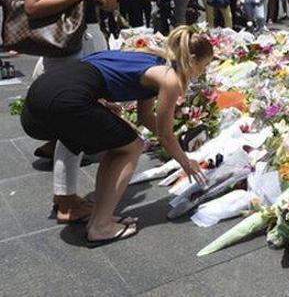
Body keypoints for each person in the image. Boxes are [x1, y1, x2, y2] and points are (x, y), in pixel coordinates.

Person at [21, 26, 211, 245]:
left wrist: (173, 146)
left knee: (122, 143)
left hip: (40, 98)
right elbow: (166, 135)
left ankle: (99, 217)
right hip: (66, 101)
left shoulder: (151, 59)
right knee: (132, 146)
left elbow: (145, 116)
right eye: (204, 66)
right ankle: (100, 226)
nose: (203, 72)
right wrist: (185, 162)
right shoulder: (169, 79)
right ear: (193, 59)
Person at [24, 0, 117, 223]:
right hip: (70, 48)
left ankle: (66, 197)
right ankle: (65, 201)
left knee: (75, 122)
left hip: (88, 42)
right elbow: (33, 5)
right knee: (74, 122)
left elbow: (108, 4)